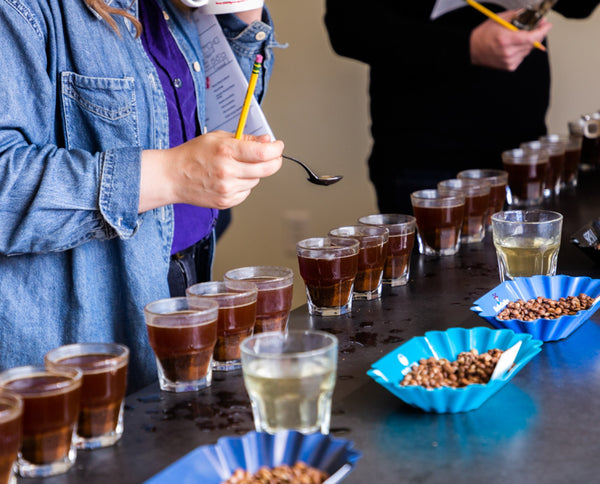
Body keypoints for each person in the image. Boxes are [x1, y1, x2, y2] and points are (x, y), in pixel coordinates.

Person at [0, 0, 283, 391]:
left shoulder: (171, 5)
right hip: (81, 324)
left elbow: (220, 120)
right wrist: (173, 175)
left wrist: (244, 14)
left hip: (187, 279)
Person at [325, 0, 599, 214]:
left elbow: (578, 7)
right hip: (424, 154)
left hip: (523, 149)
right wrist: (466, 47)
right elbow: (347, 26)